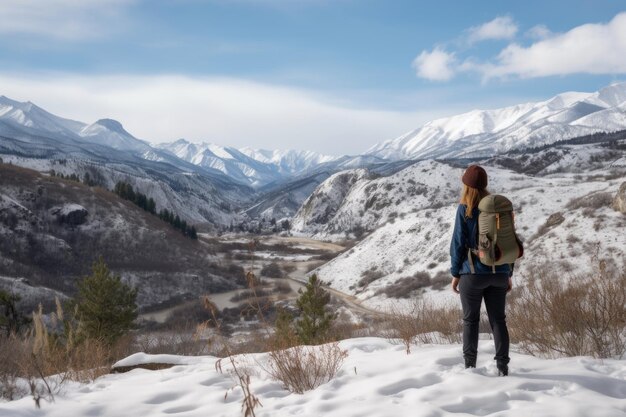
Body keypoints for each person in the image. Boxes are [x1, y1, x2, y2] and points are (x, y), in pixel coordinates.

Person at [450, 165, 512, 376]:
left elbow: (458, 243)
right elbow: (508, 242)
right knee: (498, 320)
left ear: (466, 186)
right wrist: (508, 272)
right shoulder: (499, 209)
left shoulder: (464, 209)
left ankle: (470, 368)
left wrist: (456, 273)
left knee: (470, 321)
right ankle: (503, 367)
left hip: (473, 273)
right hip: (500, 273)